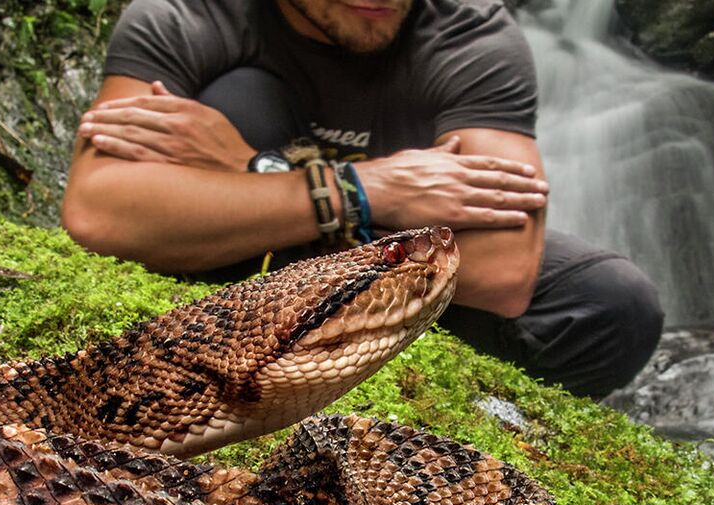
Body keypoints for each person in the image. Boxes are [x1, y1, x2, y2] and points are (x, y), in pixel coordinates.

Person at [61, 0, 663, 397]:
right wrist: (369, 189)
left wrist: (258, 174)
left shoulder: (469, 30)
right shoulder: (186, 13)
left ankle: (419, 383)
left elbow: (505, 271)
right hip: (246, 273)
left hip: (396, 280)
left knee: (611, 302)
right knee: (242, 95)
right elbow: (98, 208)